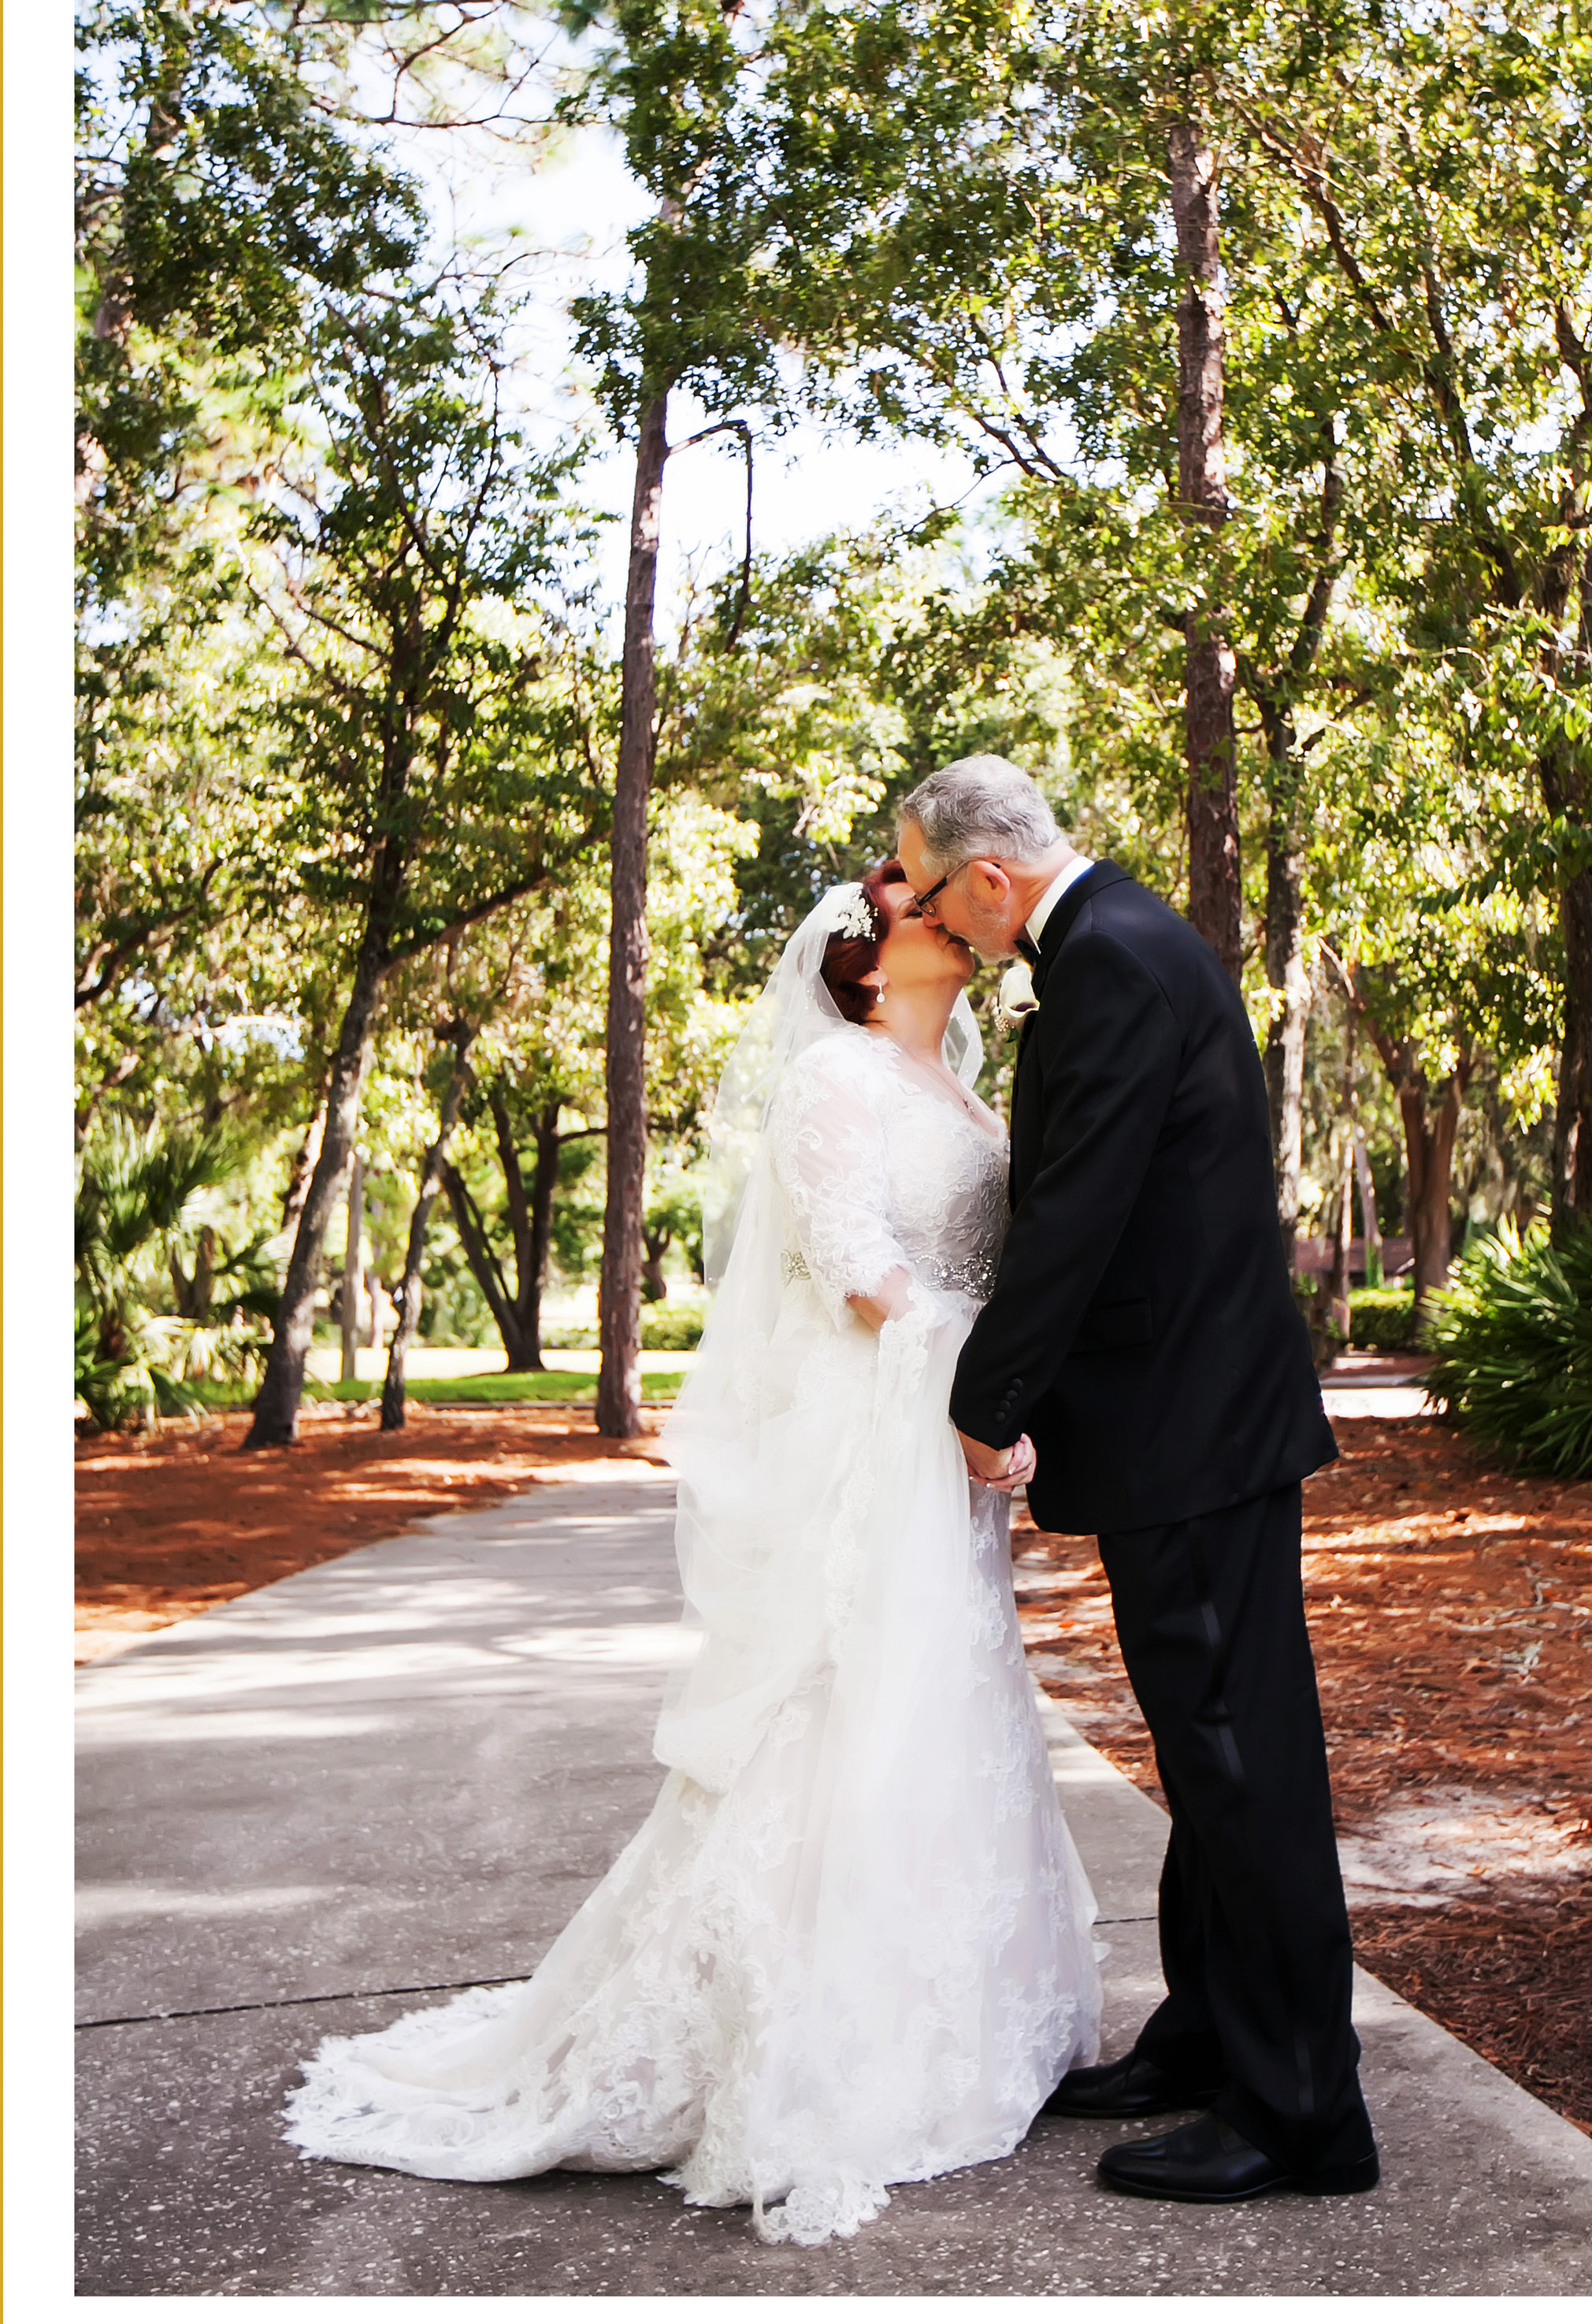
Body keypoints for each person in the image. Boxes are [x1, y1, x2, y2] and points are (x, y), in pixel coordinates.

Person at [283, 864, 1100, 2244]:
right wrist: (972, 1409)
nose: (947, 923)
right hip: (887, 1428)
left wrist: (994, 1405)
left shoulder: (957, 1083)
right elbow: (853, 1261)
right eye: (916, 909)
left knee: (939, 1697)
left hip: (941, 1433)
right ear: (863, 958)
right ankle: (803, 2042)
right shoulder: (834, 1081)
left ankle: (959, 2009)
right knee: (843, 1698)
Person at [895, 756, 1378, 2205]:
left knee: (1244, 1761)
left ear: (985, 878)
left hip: (1194, 1427)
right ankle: (1209, 2036)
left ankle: (1304, 2117)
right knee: (1208, 1751)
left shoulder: (1106, 962)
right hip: (1199, 1419)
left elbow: (1079, 1214)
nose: (934, 923)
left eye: (928, 893)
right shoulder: (1124, 941)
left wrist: (987, 1402)